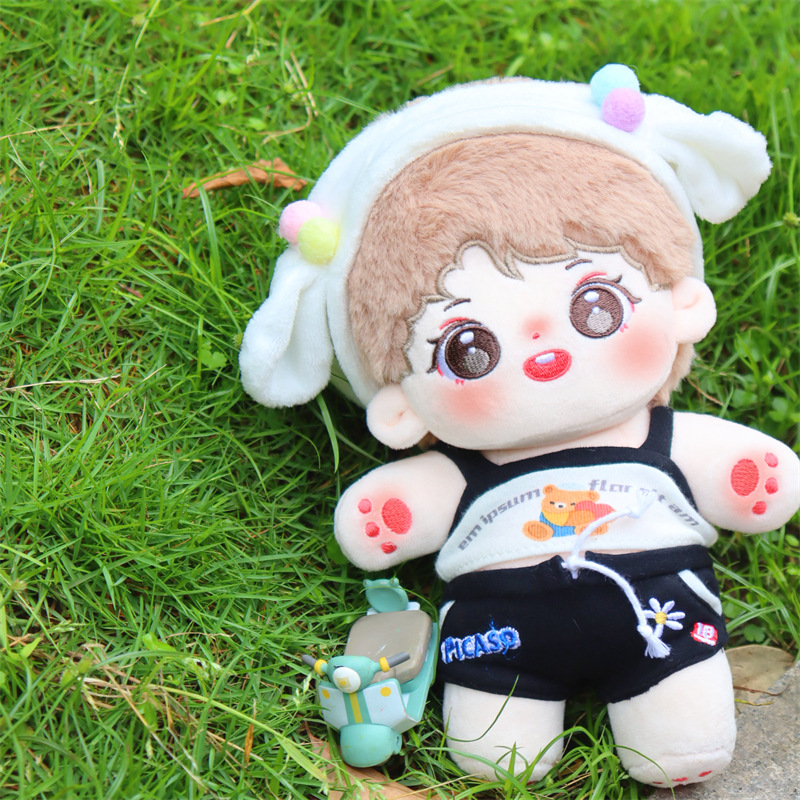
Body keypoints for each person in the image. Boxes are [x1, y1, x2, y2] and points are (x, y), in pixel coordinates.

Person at [240, 66, 800, 787]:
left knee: (680, 739)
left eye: (595, 306)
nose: (543, 348)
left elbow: (738, 473)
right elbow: (404, 510)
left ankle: (672, 725)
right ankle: (514, 734)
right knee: (497, 757)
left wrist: (745, 478)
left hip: (661, 624)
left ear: (682, 305)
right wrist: (394, 512)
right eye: (468, 348)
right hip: (499, 640)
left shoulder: (660, 441)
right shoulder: (465, 468)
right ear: (402, 408)